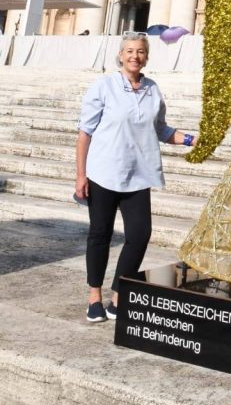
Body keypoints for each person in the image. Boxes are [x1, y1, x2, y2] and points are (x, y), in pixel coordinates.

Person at [75, 32, 197, 323]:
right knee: (100, 235)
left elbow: (163, 130)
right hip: (103, 173)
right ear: (120, 55)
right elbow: (84, 134)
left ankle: (118, 296)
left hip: (138, 175)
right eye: (129, 51)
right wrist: (81, 175)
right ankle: (94, 296)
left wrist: (193, 139)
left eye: (140, 51)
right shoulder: (103, 87)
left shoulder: (153, 90)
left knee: (140, 235)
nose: (135, 56)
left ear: (146, 57)